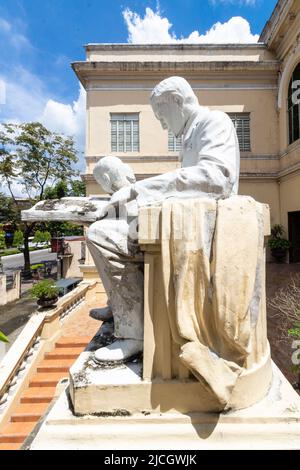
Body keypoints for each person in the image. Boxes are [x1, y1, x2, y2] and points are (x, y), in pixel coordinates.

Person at [87, 76, 240, 364]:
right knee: (112, 223)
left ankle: (134, 332)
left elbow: (217, 178)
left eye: (161, 115)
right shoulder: (190, 136)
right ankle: (122, 306)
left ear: (177, 102)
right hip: (185, 221)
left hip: (204, 228)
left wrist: (138, 189)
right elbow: (186, 186)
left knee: (100, 234)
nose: (162, 124)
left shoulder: (214, 122)